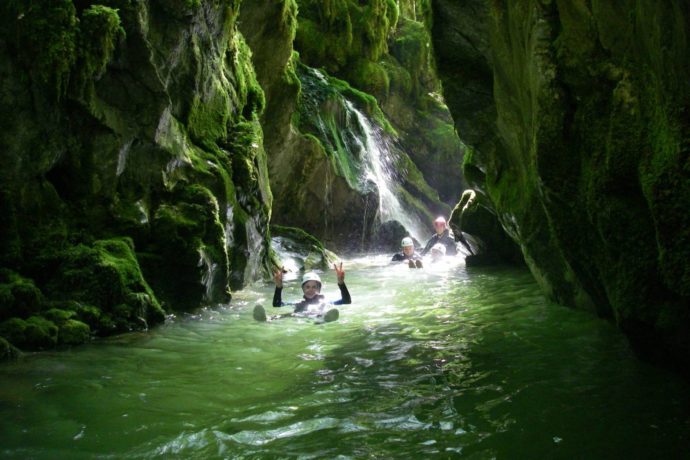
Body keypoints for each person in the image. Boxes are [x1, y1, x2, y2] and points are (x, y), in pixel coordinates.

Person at [253, 262, 351, 322]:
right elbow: (277, 305)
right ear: (303, 289)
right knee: (288, 315)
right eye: (307, 287)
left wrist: (341, 283)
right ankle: (266, 319)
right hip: (300, 316)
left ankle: (325, 319)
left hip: (319, 316)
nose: (311, 290)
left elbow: (346, 301)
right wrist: (279, 287)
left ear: (319, 289)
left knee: (322, 313)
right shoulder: (298, 303)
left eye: (314, 287)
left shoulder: (325, 302)